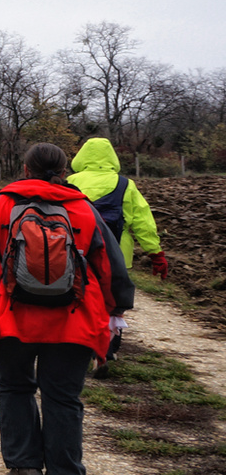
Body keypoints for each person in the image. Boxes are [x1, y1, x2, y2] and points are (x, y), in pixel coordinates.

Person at [0, 142, 134, 475]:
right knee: (63, 398)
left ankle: (23, 466)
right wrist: (117, 311)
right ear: (65, 170)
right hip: (74, 322)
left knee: (15, 387)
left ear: (24, 168)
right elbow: (111, 267)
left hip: (11, 318)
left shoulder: (1, 204)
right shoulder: (83, 209)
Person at [66, 137, 168, 372]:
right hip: (116, 256)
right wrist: (155, 253)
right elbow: (143, 222)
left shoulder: (70, 182)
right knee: (113, 303)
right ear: (111, 157)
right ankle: (107, 350)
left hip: (77, 252)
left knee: (80, 298)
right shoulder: (125, 185)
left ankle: (81, 346)